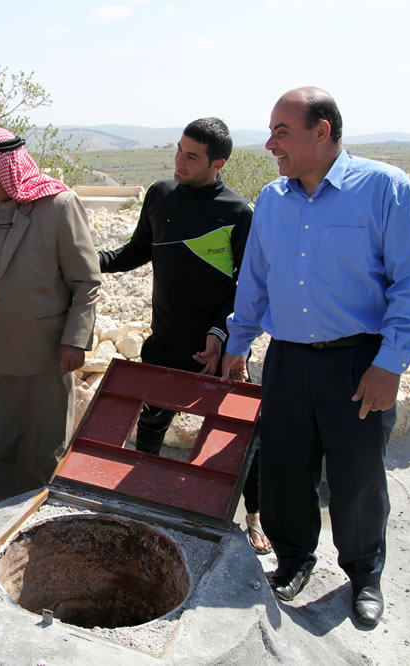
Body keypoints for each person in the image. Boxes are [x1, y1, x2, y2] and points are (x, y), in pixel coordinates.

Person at [221, 88, 410, 627]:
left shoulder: (384, 188)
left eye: (282, 131)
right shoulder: (272, 199)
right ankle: (293, 560)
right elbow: (256, 279)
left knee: (357, 476)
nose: (270, 143)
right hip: (289, 360)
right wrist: (238, 340)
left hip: (357, 362)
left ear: (323, 131)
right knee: (286, 468)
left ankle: (364, 575)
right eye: (271, 131)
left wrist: (390, 363)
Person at [97, 117, 271, 555]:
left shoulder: (238, 212)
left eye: (191, 156)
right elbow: (137, 250)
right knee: (151, 424)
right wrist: (88, 259)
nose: (179, 161)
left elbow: (249, 288)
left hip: (223, 347)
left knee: (240, 436)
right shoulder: (160, 194)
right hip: (167, 339)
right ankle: (143, 498)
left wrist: (224, 336)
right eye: (178, 150)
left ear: (218, 163)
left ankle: (253, 515)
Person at [0, 127, 102, 506]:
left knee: (42, 445)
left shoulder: (58, 206)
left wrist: (76, 339)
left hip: (43, 351)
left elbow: (86, 280)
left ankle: (40, 513)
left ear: (7, 167)